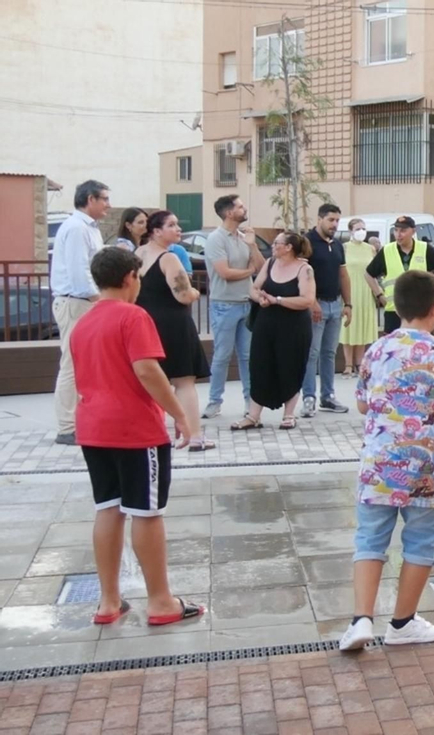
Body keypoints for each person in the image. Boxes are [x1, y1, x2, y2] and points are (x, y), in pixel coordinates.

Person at [340, 271, 434, 652]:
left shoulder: (377, 349)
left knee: (370, 540)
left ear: (397, 307)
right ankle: (402, 623)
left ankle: (360, 620)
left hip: (377, 464)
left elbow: (361, 403)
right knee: (420, 543)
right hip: (424, 469)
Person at [72, 247, 205, 628]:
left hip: (94, 428)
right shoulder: (133, 316)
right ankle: (161, 601)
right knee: (147, 512)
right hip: (134, 429)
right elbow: (147, 370)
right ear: (131, 277)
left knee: (109, 507)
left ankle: (108, 600)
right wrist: (179, 415)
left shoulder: (84, 322)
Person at [134, 210, 213, 452]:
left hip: (145, 323)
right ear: (156, 231)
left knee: (149, 382)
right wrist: (195, 293)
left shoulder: (137, 255)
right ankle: (196, 436)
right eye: (172, 225)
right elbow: (183, 295)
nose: (178, 229)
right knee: (184, 381)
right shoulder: (168, 259)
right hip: (173, 324)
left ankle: (147, 434)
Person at [51, 180, 113, 446]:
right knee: (72, 364)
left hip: (82, 302)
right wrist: (101, 301)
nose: (108, 205)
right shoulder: (77, 228)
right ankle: (67, 427)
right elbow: (80, 273)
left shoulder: (88, 228)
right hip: (75, 303)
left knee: (85, 364)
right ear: (90, 199)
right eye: (105, 199)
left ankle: (82, 420)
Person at [232, 232, 315, 431]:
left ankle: (288, 415)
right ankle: (253, 416)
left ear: (289, 247)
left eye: (277, 243)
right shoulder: (270, 263)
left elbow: (307, 300)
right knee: (259, 365)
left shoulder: (305, 269)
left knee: (290, 366)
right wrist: (259, 298)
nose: (273, 245)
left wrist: (277, 300)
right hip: (266, 322)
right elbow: (254, 287)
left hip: (293, 326)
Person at [203, 194, 265, 419]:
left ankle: (251, 401)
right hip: (224, 304)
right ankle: (214, 401)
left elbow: (261, 268)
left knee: (247, 356)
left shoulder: (242, 237)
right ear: (229, 213)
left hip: (245, 304)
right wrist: (248, 272)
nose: (244, 208)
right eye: (240, 206)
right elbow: (225, 273)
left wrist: (253, 246)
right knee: (221, 355)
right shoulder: (216, 239)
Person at [300, 203, 351, 418]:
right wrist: (311, 302)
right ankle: (308, 397)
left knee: (329, 353)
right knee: (311, 353)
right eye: (331, 220)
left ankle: (328, 396)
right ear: (319, 219)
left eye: (337, 220)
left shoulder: (338, 245)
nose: (334, 224)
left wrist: (348, 304)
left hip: (334, 304)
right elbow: (302, 274)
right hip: (316, 304)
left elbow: (343, 275)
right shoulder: (308, 243)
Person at [365, 215, 434, 337]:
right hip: (394, 310)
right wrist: (380, 295)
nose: (398, 234)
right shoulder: (387, 250)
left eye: (403, 230)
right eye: (396, 230)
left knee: (421, 347)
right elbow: (368, 274)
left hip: (420, 310)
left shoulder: (425, 249)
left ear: (413, 231)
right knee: (394, 349)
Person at [340, 219, 379, 377]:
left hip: (365, 290)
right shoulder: (344, 248)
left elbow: (374, 271)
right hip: (350, 289)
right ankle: (348, 364)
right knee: (349, 326)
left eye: (363, 228)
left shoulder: (370, 249)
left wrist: (377, 292)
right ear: (350, 231)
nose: (361, 231)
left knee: (362, 325)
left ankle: (359, 362)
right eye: (357, 228)